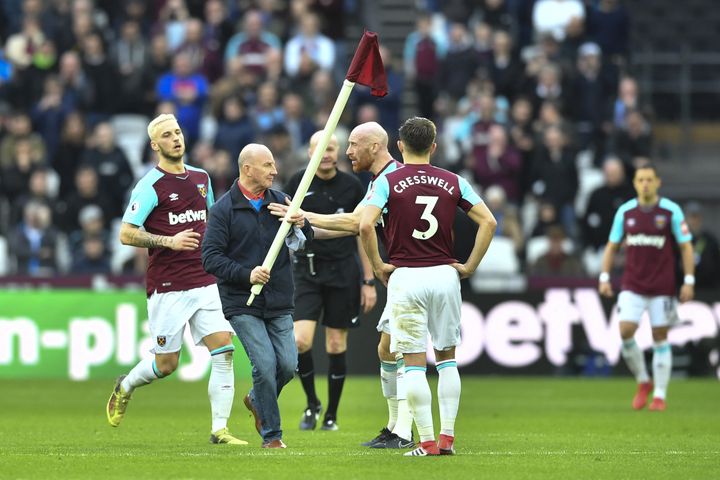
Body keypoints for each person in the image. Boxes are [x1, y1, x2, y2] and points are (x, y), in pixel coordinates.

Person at [268, 122, 414, 449]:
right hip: (308, 271)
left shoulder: (368, 183)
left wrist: (370, 274)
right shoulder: (378, 178)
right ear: (309, 154)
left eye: (347, 146)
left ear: (374, 146)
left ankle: (416, 433)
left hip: (357, 273)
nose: (345, 152)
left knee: (402, 353)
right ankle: (396, 427)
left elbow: (357, 226)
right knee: (384, 349)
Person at [105, 113, 246, 446]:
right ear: (155, 145)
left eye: (178, 132)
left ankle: (220, 429)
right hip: (168, 285)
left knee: (224, 351)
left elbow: (211, 222)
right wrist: (168, 241)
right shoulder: (150, 186)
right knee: (166, 364)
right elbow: (126, 234)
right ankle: (125, 386)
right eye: (167, 135)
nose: (176, 138)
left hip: (205, 279)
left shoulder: (201, 177)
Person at [359, 117, 496, 456]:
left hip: (407, 275)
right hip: (444, 274)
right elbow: (489, 222)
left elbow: (364, 226)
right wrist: (469, 266)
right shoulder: (454, 181)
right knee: (447, 359)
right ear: (434, 146)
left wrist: (378, 266)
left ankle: (428, 442)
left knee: (414, 363)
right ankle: (448, 438)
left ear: (400, 146)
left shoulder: (389, 181)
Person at [201, 143, 314, 449]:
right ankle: (272, 436)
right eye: (267, 165)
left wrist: (300, 222)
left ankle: (255, 399)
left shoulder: (280, 202)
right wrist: (246, 274)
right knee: (264, 365)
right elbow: (210, 258)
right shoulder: (223, 209)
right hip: (242, 301)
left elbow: (305, 242)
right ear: (247, 168)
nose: (275, 171)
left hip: (278, 298)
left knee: (288, 365)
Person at [286, 131, 376, 432]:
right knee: (300, 341)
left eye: (332, 149)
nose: (326, 155)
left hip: (342, 273)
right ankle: (312, 404)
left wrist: (368, 280)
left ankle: (331, 415)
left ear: (339, 152)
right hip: (306, 272)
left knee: (336, 343)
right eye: (320, 149)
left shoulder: (352, 185)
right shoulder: (297, 183)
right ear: (309, 152)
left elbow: (363, 233)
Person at [599, 163, 695, 412]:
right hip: (633, 283)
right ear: (634, 183)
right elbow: (612, 246)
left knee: (660, 337)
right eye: (640, 180)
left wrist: (689, 280)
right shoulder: (625, 212)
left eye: (649, 179)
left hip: (662, 286)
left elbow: (686, 246)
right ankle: (644, 381)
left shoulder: (671, 211)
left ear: (657, 182)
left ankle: (660, 395)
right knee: (625, 330)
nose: (645, 184)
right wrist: (604, 277)